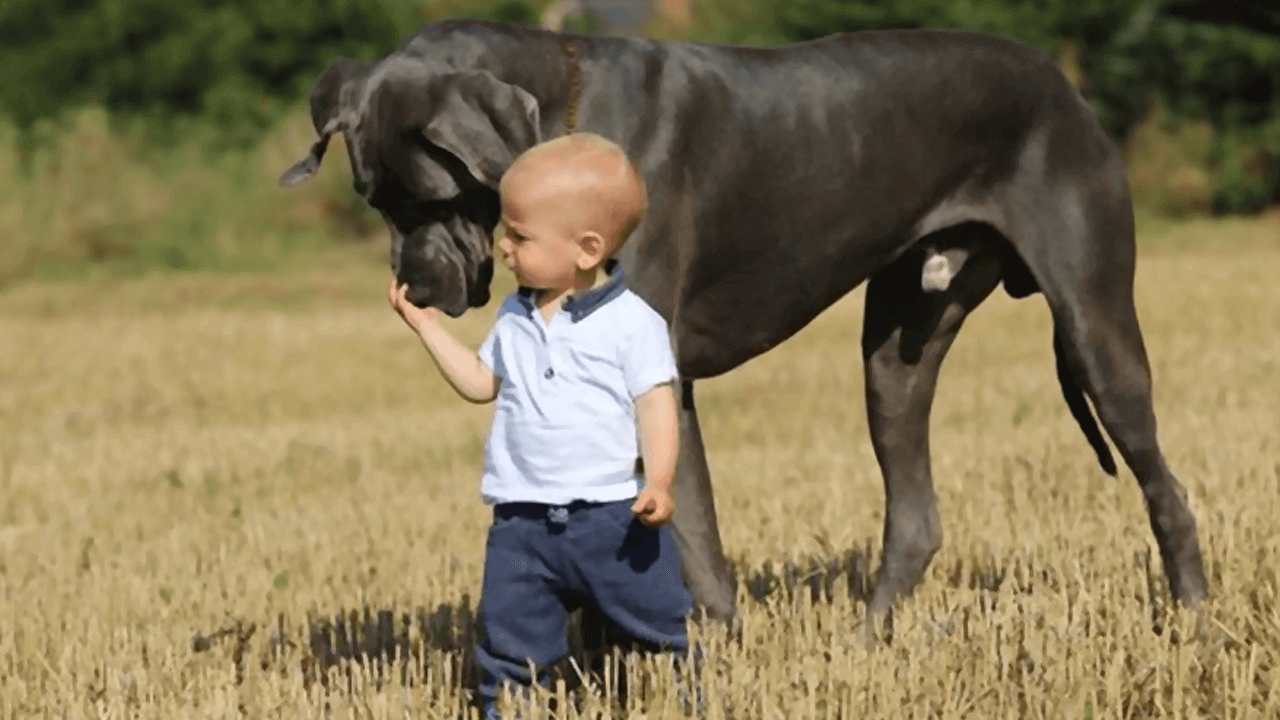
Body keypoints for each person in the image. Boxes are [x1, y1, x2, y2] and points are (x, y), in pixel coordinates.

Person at [388, 132, 694, 718]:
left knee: (658, 632)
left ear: (586, 249)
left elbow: (655, 406)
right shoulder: (513, 315)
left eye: (519, 235)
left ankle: (681, 701)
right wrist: (426, 328)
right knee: (509, 646)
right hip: (521, 521)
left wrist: (658, 480)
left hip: (612, 519)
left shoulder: (633, 324)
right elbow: (482, 385)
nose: (503, 246)